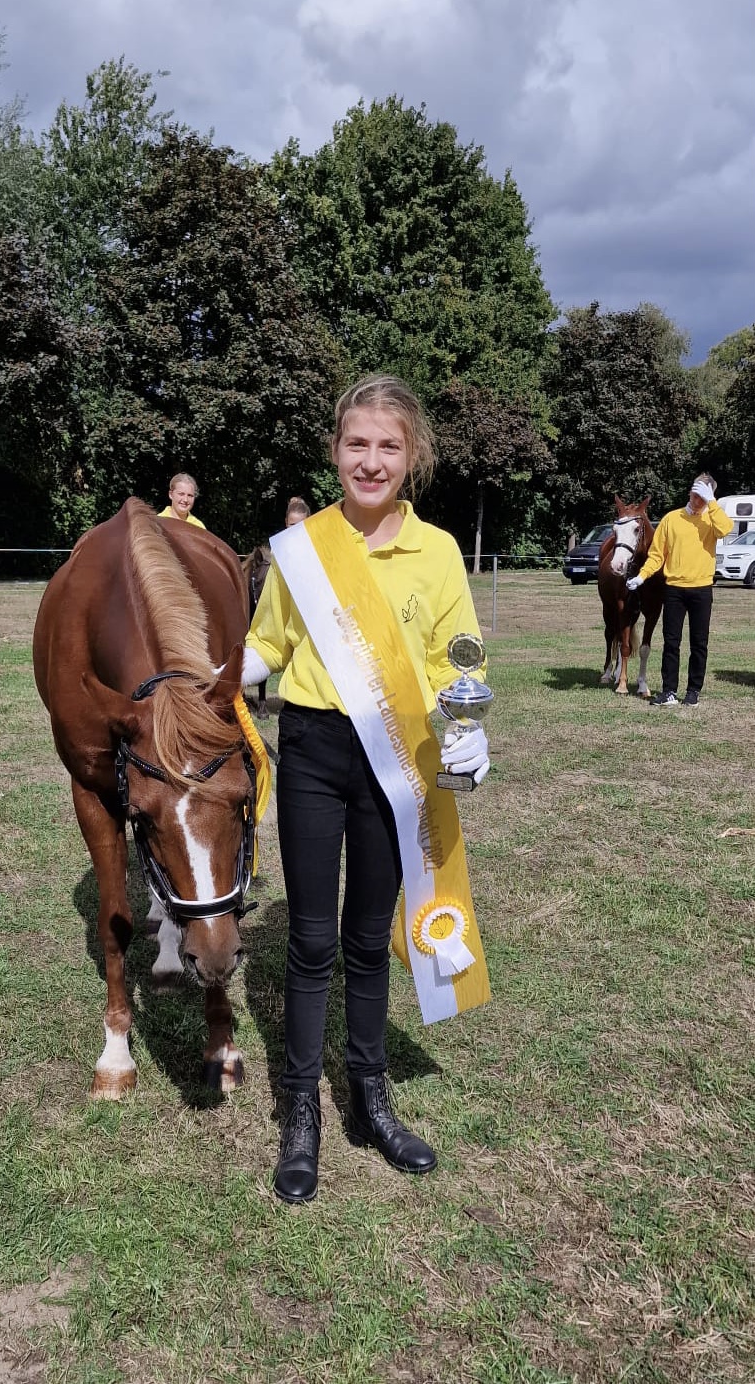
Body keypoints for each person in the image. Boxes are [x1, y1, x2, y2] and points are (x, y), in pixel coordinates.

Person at [242, 374, 490, 1204]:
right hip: (312, 748)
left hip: (397, 759)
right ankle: (301, 1113)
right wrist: (226, 671)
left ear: (411, 456)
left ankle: (370, 1099)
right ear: (335, 450)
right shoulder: (301, 548)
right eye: (357, 444)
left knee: (368, 937)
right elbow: (269, 644)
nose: (371, 461)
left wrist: (468, 728)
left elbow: (458, 658)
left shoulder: (439, 551)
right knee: (311, 940)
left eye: (389, 446)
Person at [626, 474, 732, 707]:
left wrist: (712, 503)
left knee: (699, 643)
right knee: (671, 642)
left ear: (710, 496)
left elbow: (725, 529)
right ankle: (669, 691)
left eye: (702, 496)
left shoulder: (712, 519)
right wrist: (642, 576)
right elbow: (657, 555)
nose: (697, 499)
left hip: (701, 588)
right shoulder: (671, 519)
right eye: (695, 493)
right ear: (689, 492)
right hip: (674, 588)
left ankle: (693, 691)